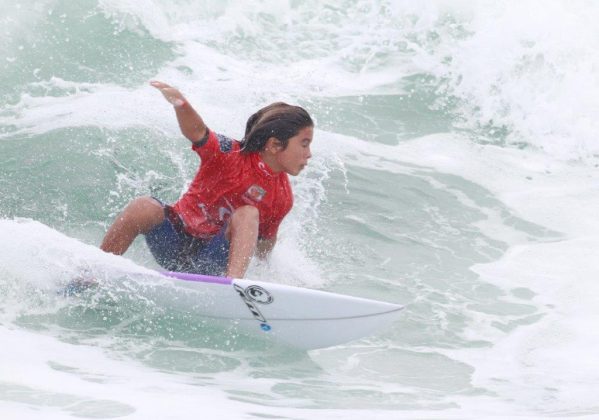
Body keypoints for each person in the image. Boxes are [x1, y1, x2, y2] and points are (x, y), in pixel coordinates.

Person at [100, 81, 314, 278]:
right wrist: (180, 103)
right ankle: (96, 271)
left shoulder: (282, 197)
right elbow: (198, 132)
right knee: (143, 206)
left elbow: (265, 245)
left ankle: (234, 287)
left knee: (248, 214)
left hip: (212, 259)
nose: (309, 154)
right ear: (275, 145)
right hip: (173, 242)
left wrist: (268, 276)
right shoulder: (228, 154)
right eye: (304, 143)